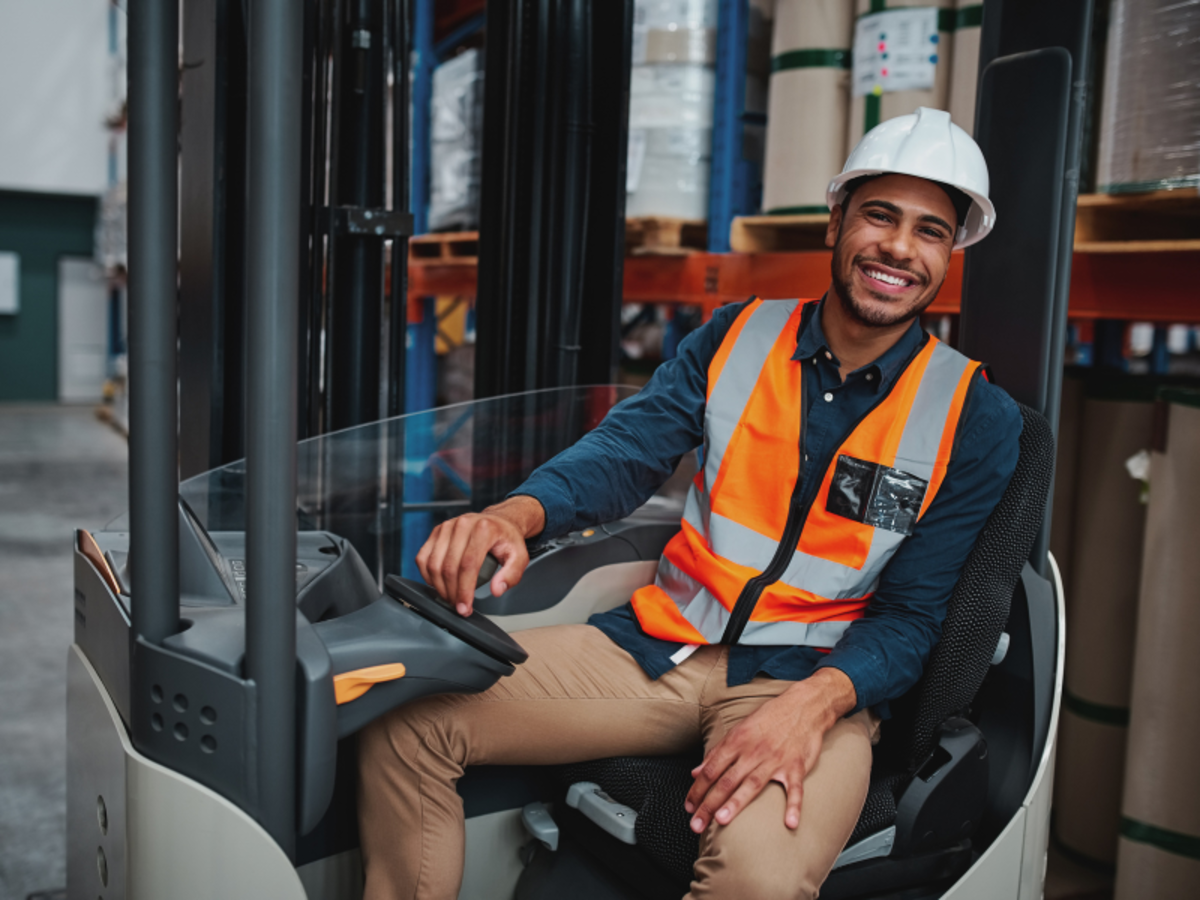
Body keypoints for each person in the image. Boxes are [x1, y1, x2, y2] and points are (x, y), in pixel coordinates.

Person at [358, 107, 1022, 900]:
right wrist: (515, 516)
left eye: (930, 231)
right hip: (655, 650)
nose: (899, 250)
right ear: (837, 219)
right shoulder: (735, 337)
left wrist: (813, 707)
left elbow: (914, 620)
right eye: (880, 215)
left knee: (756, 879)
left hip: (808, 683)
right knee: (405, 724)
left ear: (950, 254)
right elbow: (625, 453)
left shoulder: (974, 417)